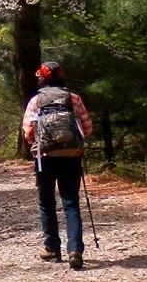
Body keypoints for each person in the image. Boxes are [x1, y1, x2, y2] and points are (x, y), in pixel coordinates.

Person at [22, 60, 95, 270]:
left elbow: (28, 132)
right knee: (71, 203)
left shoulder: (36, 101)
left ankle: (52, 248)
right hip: (71, 155)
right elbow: (87, 128)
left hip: (44, 158)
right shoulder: (73, 99)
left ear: (41, 79)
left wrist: (39, 142)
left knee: (46, 203)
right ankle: (75, 250)